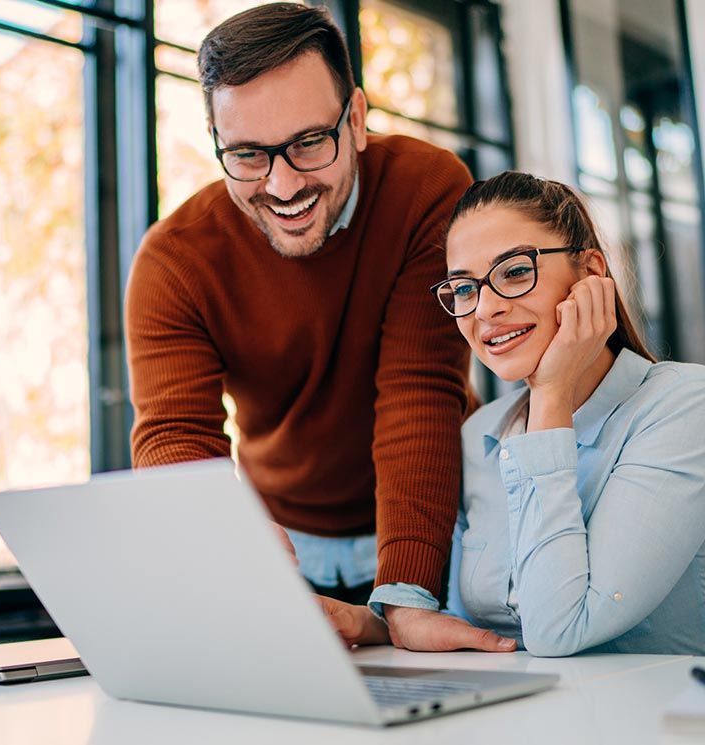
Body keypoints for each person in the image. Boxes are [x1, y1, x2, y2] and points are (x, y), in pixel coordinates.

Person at [124, 3, 514, 652]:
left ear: (356, 120)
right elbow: (173, 434)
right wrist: (227, 539)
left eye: (309, 142)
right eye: (247, 154)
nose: (282, 184)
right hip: (284, 544)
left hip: (435, 521)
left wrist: (408, 593)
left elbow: (418, 391)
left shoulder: (427, 189)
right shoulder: (175, 260)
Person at [320, 171, 705, 656]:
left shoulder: (683, 407)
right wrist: (371, 626)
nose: (485, 310)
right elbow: (488, 626)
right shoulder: (480, 434)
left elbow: (559, 629)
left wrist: (552, 394)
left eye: (515, 272)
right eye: (463, 288)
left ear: (590, 273)